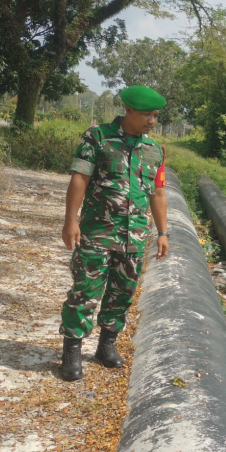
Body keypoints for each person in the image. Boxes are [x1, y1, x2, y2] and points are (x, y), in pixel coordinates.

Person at [58, 85, 170, 382]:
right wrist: (71, 221)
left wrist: (163, 232)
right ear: (129, 110)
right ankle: (71, 350)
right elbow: (79, 179)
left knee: (123, 293)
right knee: (85, 292)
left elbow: (158, 194)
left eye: (156, 116)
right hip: (96, 233)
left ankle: (106, 345)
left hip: (133, 238)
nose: (152, 121)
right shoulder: (96, 138)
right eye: (147, 114)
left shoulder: (154, 150)